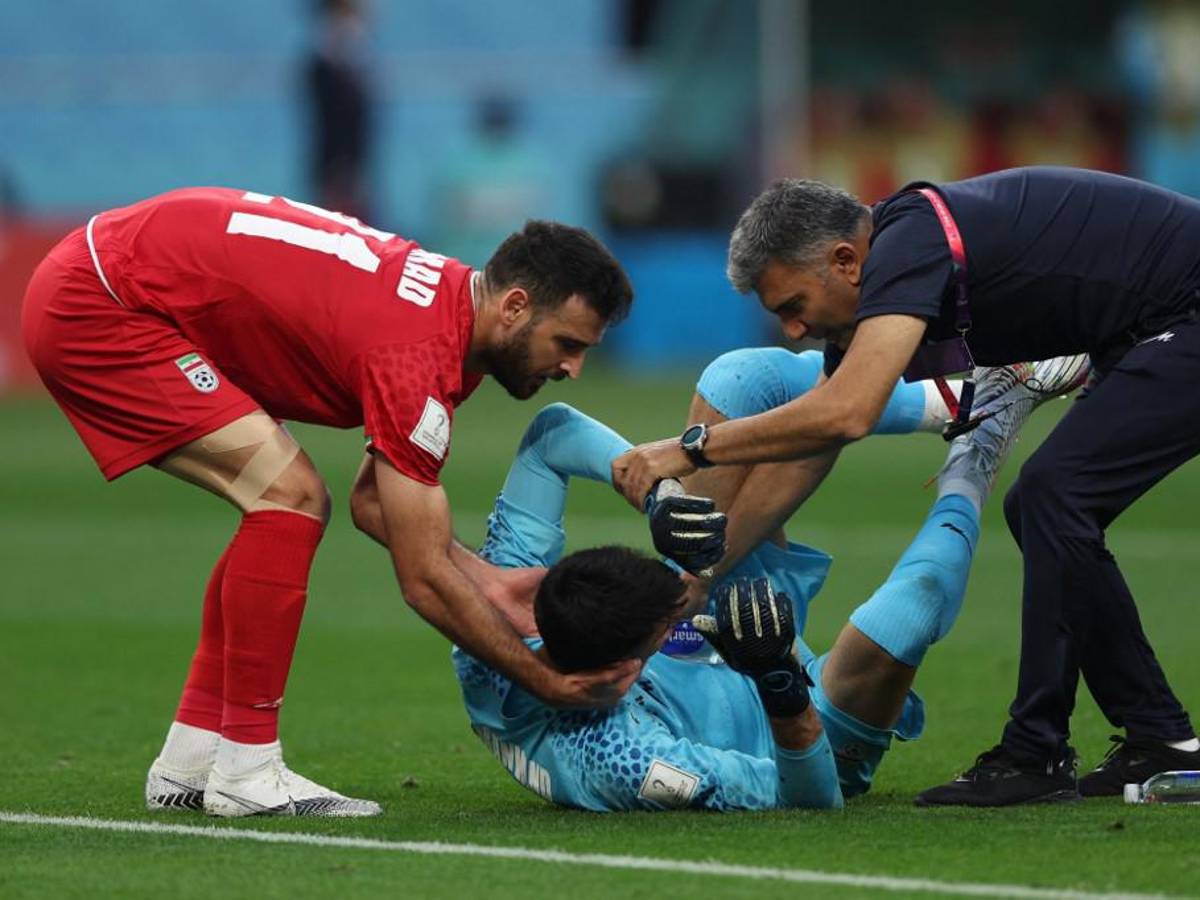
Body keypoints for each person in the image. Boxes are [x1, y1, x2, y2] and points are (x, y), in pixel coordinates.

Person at [21, 187, 643, 818]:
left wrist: (488, 580)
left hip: (110, 272)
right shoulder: (415, 354)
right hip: (101, 302)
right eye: (567, 344)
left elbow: (375, 504)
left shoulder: (450, 320)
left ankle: (190, 759)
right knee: (287, 497)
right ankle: (247, 768)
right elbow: (422, 578)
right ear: (514, 307)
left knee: (282, 497)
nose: (574, 368)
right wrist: (543, 682)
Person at [611, 167, 1200, 806]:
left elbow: (849, 411)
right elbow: (821, 433)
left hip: (1183, 312)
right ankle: (1100, 745)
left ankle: (1084, 746)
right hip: (1152, 323)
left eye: (792, 306)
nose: (794, 331)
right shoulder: (898, 253)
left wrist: (688, 449)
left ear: (845, 261)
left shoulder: (908, 242)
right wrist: (699, 577)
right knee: (1046, 503)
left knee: (1054, 497)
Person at [452, 347, 1083, 810]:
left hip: (723, 621)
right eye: (665, 623)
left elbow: (550, 433)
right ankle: (979, 451)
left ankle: (970, 398)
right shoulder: (626, 761)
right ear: (621, 674)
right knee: (911, 609)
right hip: (799, 727)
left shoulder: (495, 632)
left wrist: (663, 498)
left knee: (740, 381)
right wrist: (781, 687)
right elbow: (808, 798)